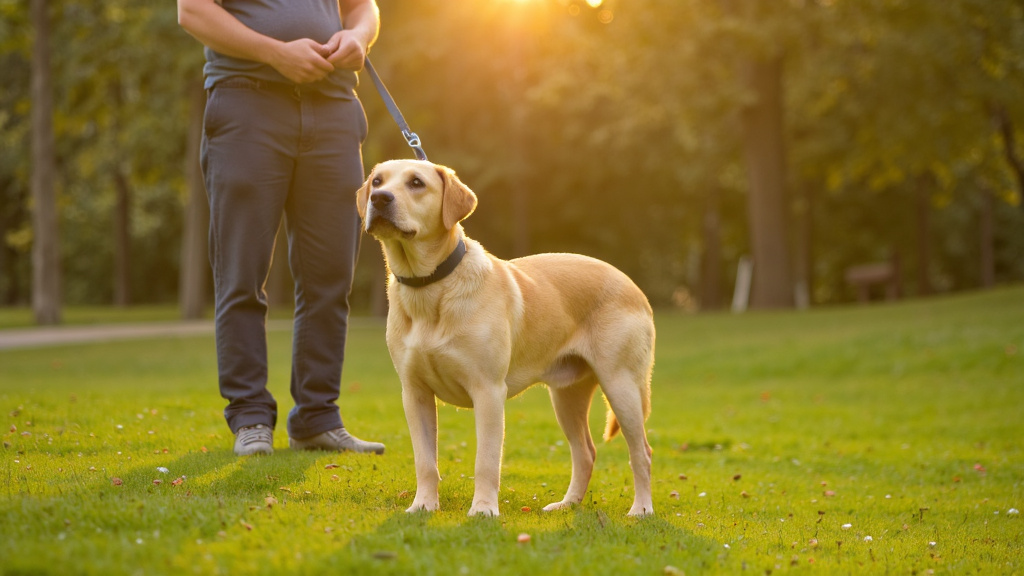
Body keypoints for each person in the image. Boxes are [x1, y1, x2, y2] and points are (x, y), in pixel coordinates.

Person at [177, 0, 384, 456]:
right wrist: (275, 52)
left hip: (333, 107)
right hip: (247, 102)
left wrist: (358, 37)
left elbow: (362, 7)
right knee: (242, 273)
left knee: (331, 277)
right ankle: (250, 416)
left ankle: (317, 417)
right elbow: (191, 11)